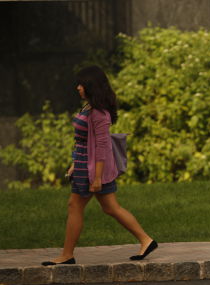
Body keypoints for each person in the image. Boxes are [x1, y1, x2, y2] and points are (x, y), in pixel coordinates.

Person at [42, 66, 157, 266]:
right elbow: (83, 140)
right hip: (83, 165)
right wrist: (74, 163)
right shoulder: (88, 107)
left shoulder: (99, 113)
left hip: (92, 169)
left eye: (82, 84)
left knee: (75, 205)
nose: (78, 87)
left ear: (91, 86)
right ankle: (146, 240)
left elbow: (102, 147)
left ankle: (67, 254)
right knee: (110, 208)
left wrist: (96, 177)